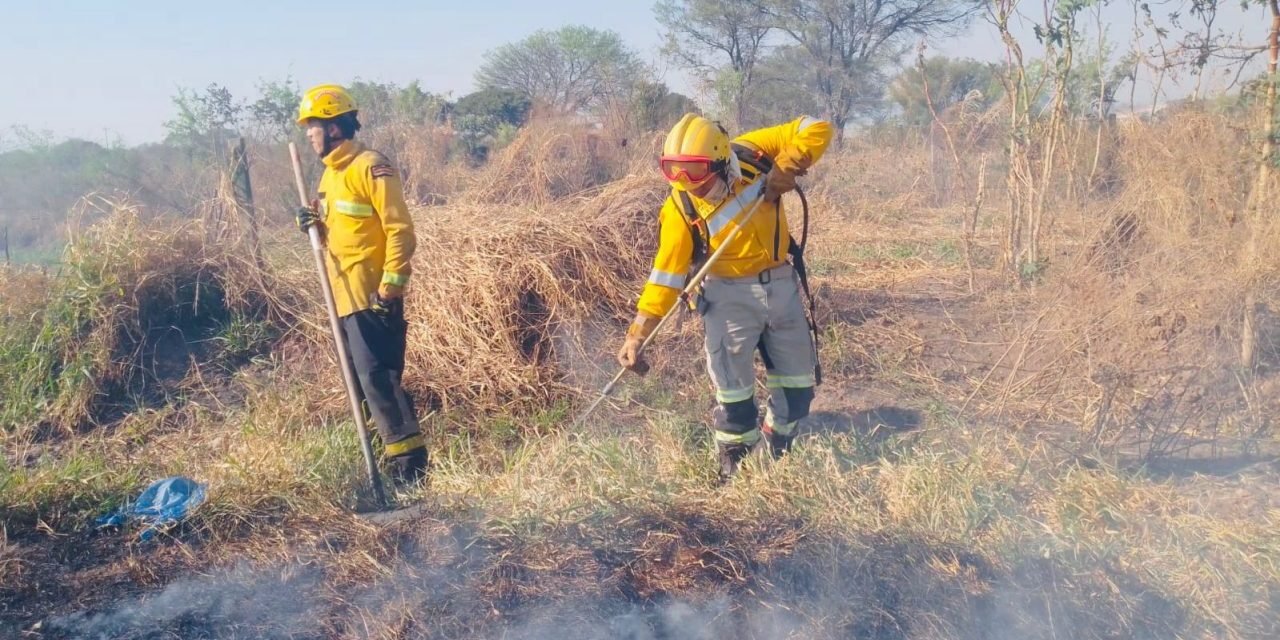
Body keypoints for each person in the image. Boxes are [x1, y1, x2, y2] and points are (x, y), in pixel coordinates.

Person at [617, 113, 833, 481]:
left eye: (696, 171)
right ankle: (735, 471)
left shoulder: (752, 152)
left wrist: (789, 162)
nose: (686, 183)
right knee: (734, 401)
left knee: (797, 391)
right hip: (725, 298)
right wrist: (638, 332)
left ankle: (778, 456)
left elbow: (816, 127)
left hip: (781, 287)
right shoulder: (680, 209)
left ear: (720, 160)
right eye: (673, 171)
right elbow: (665, 278)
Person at [294, 84, 427, 487]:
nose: (310, 135)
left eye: (313, 127)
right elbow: (342, 230)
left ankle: (412, 474)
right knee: (361, 386)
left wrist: (390, 287)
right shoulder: (330, 177)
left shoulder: (370, 166)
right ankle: (389, 468)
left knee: (379, 382)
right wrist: (312, 225)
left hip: (372, 296)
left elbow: (400, 230)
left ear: (335, 126)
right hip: (344, 297)